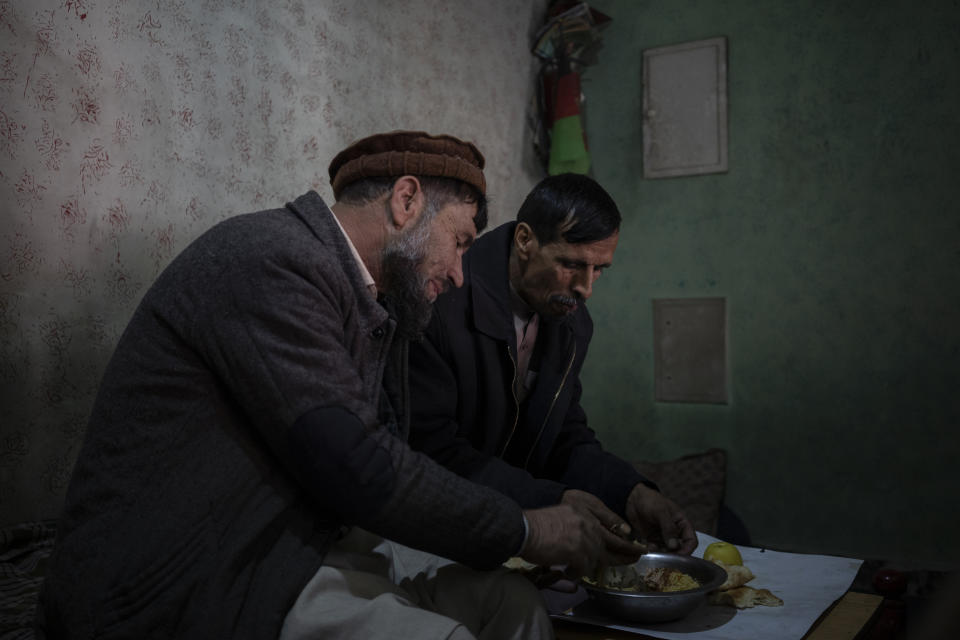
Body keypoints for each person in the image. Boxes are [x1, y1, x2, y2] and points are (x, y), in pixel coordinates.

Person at [36, 132, 644, 640]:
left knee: (511, 606)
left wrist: (568, 511)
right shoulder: (273, 260)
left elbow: (385, 454)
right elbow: (361, 464)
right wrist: (529, 528)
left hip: (294, 545)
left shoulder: (368, 301)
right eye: (459, 241)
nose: (462, 274)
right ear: (407, 201)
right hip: (190, 573)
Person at [408, 172, 698, 556]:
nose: (586, 288)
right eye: (571, 264)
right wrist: (551, 500)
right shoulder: (441, 301)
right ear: (525, 240)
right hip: (431, 540)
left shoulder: (571, 323)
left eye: (599, 270)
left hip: (514, 539)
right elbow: (430, 451)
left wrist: (630, 491)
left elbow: (562, 435)